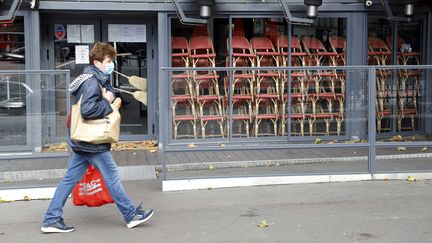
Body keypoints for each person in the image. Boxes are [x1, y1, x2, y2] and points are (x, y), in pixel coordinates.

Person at [41, 42, 154, 233]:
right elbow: (88, 110)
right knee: (112, 176)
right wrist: (108, 101)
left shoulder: (90, 78)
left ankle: (51, 219)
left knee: (69, 179)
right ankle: (130, 215)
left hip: (81, 140)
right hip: (92, 142)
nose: (112, 64)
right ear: (97, 62)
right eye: (109, 61)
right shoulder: (92, 81)